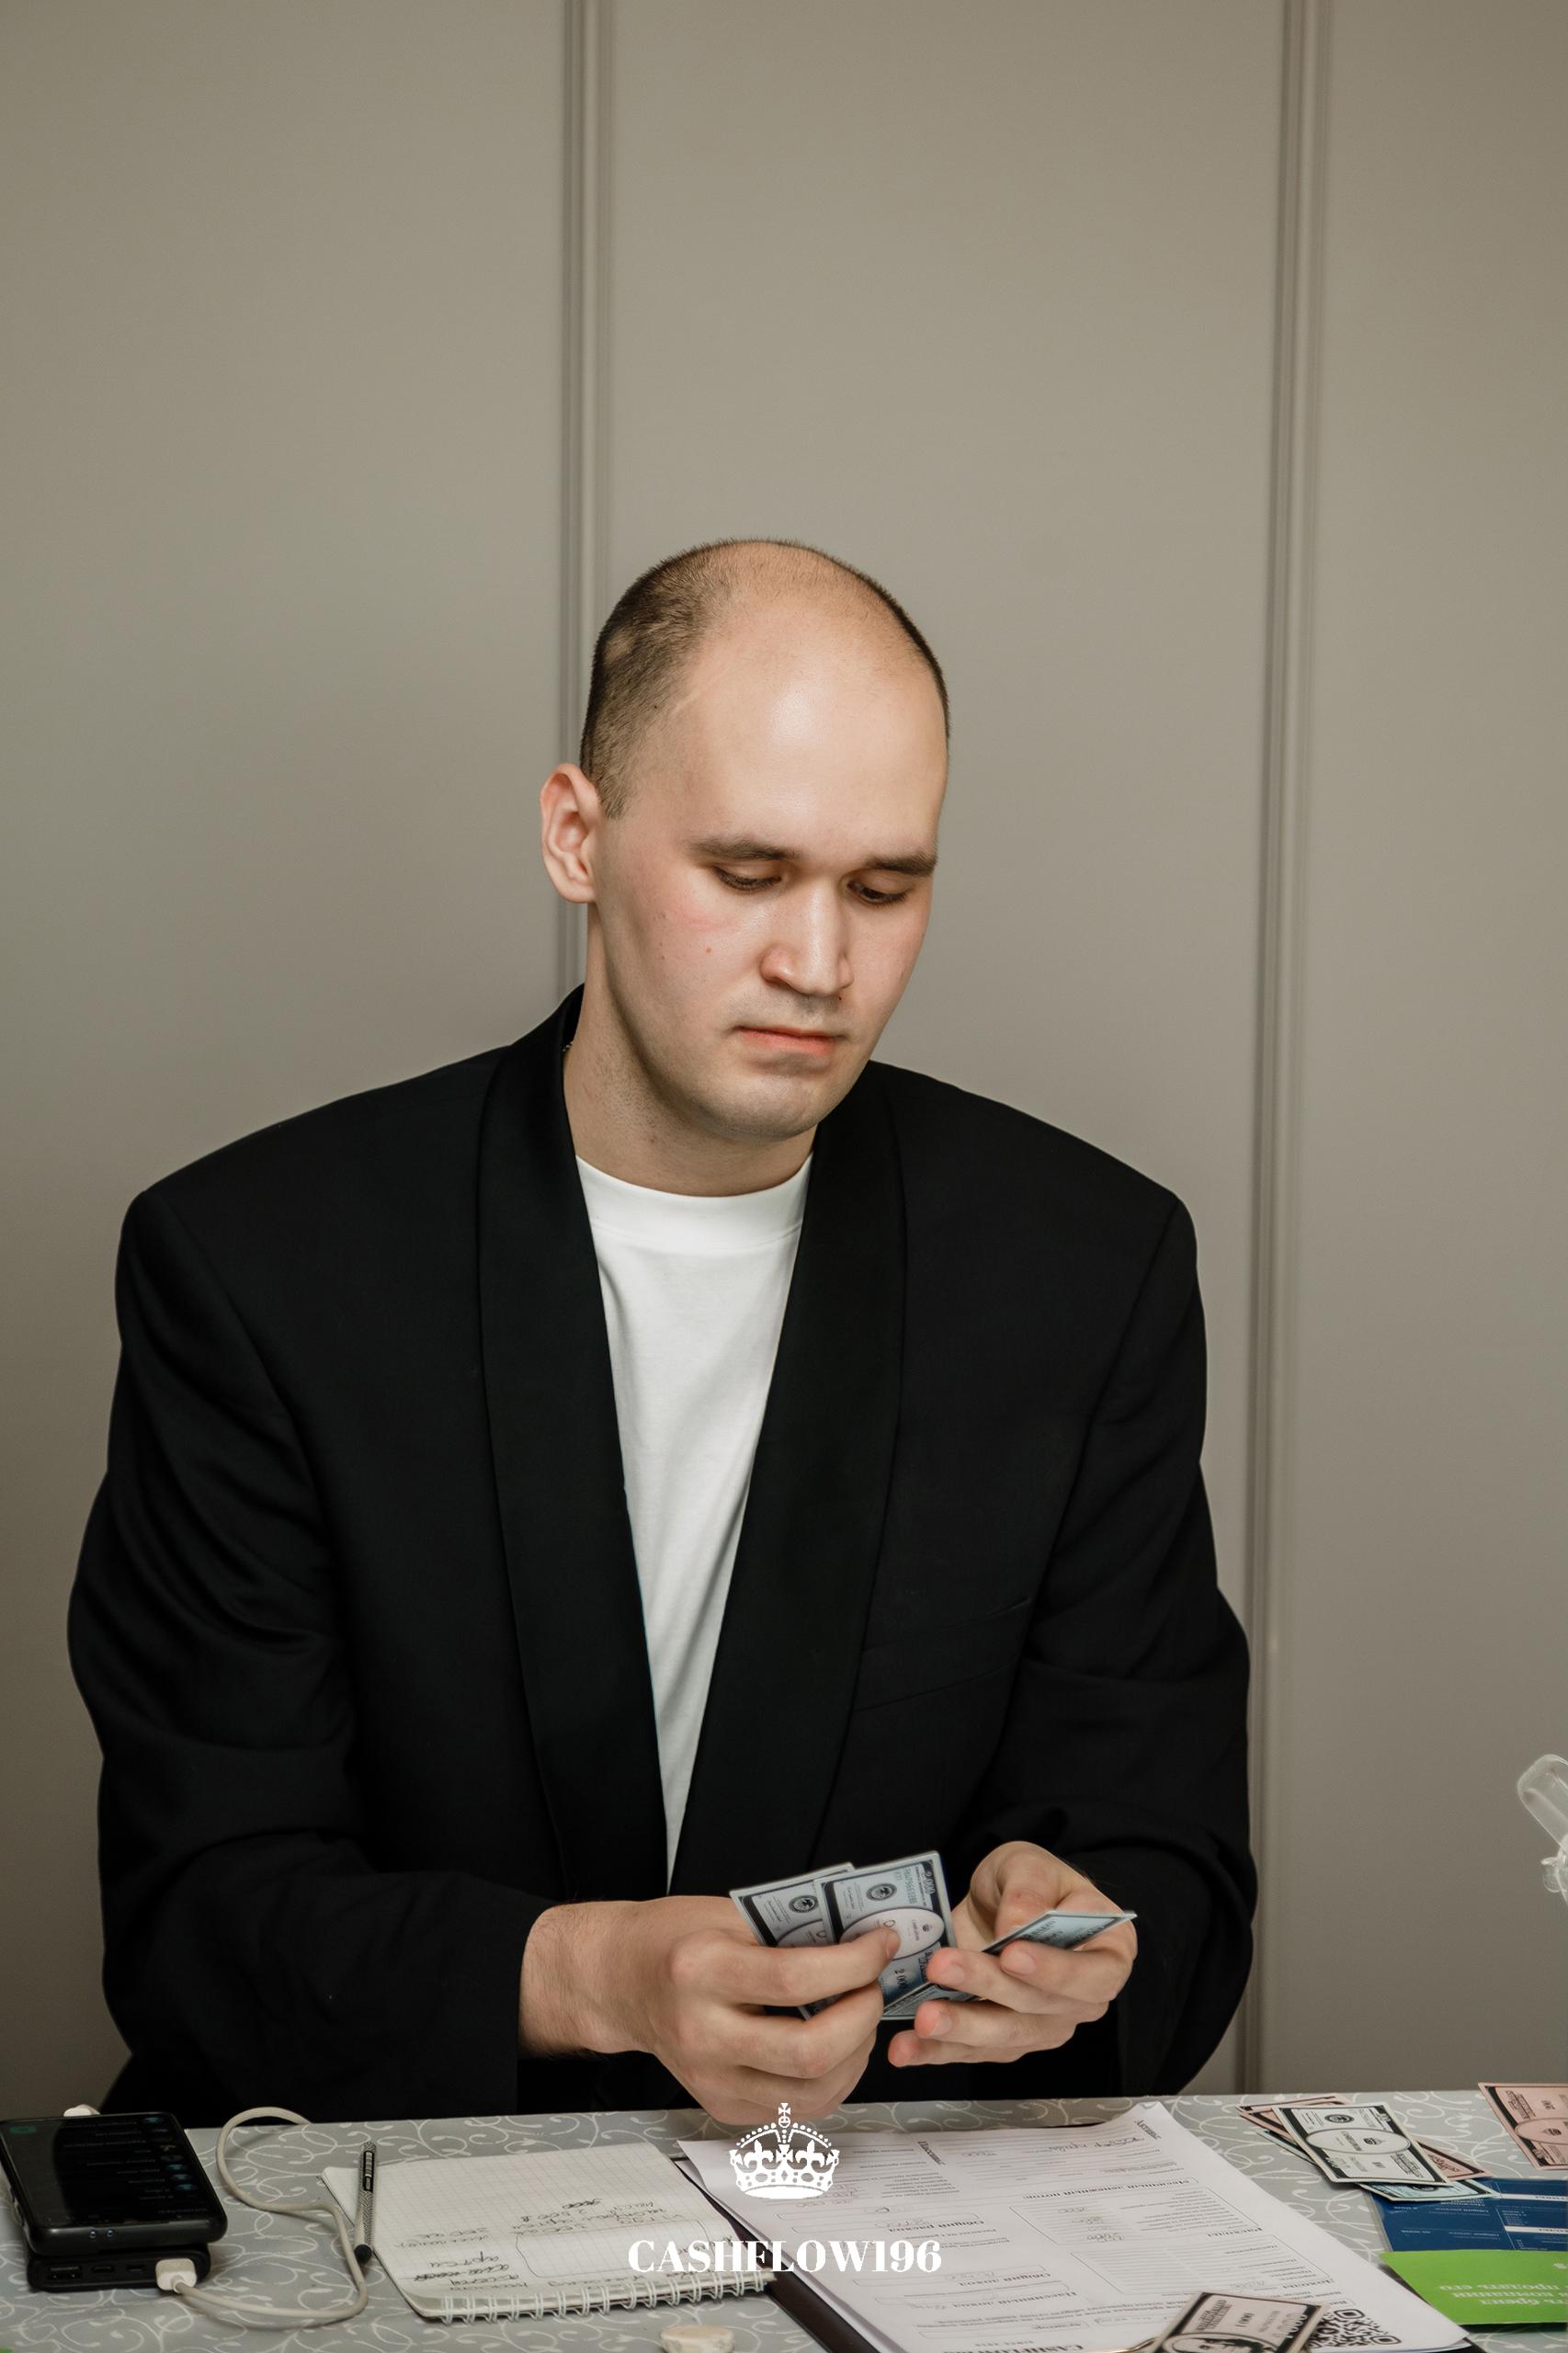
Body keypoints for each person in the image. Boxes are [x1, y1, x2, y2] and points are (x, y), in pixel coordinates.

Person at [68, 537, 1254, 2130]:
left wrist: (1080, 1935)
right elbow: (200, 1916)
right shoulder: (259, 1270)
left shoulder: (1087, 1270)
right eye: (748, 875)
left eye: (884, 889)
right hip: (397, 2192)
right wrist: (590, 1976)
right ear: (577, 835)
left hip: (877, 2205)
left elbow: (1174, 1861)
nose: (819, 965)